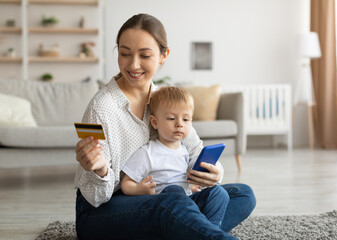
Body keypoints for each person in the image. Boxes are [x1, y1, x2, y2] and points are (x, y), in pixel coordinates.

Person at [75, 13, 256, 240]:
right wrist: (100, 170)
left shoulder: (166, 98)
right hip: (102, 212)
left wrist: (214, 172)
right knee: (173, 199)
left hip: (162, 202)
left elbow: (195, 149)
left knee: (242, 195)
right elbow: (95, 197)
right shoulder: (99, 108)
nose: (133, 64)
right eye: (125, 54)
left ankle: (181, 229)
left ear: (163, 55)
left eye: (145, 55)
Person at [121, 86, 230, 227]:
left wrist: (191, 188)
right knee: (174, 190)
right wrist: (139, 190)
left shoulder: (185, 151)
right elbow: (126, 183)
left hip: (188, 203)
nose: (179, 124)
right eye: (172, 118)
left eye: (186, 119)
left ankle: (206, 230)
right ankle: (202, 230)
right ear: (155, 122)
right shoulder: (147, 153)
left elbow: (181, 180)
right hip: (165, 207)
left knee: (218, 193)